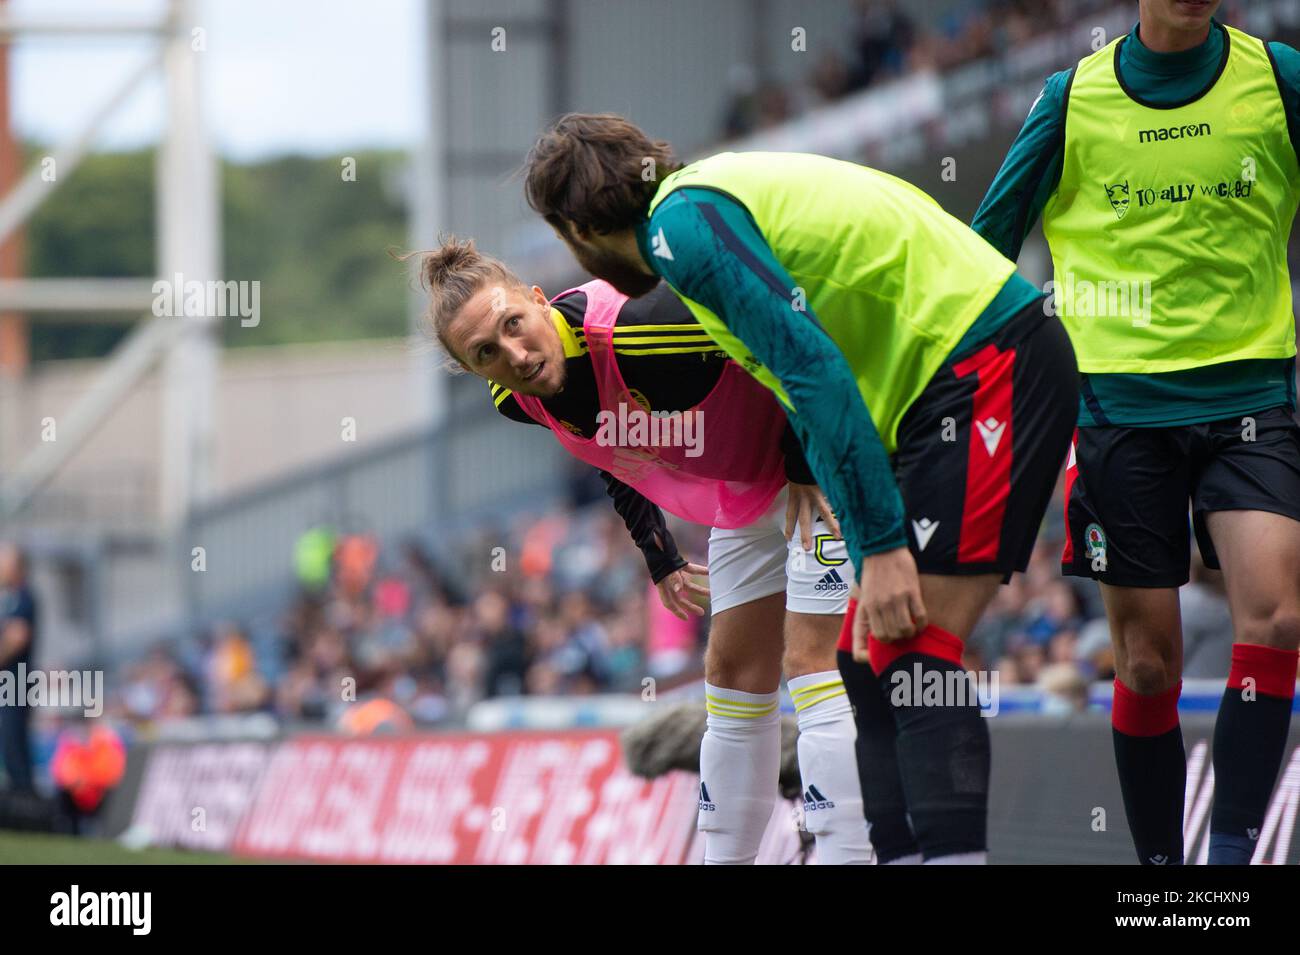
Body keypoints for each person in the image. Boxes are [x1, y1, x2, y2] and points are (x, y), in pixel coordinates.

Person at [522, 114, 1079, 864]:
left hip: (983, 364)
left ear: (577, 227)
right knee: (865, 660)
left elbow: (812, 369)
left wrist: (878, 545)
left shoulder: (678, 231)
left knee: (916, 652)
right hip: (943, 386)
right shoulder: (696, 205)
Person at [415, 237, 872, 864]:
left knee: (811, 659)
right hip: (750, 490)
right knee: (732, 678)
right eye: (486, 353)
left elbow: (792, 334)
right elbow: (604, 444)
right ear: (474, 372)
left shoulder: (643, 327)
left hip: (823, 458)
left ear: (538, 300)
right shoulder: (516, 399)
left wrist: (802, 462)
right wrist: (659, 555)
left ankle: (849, 854)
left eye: (513, 325)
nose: (515, 355)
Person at [973, 0, 1300, 865]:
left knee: (1277, 617)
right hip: (1119, 414)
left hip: (1250, 400)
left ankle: (1227, 864)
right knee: (1146, 664)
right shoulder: (1071, 97)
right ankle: (1162, 880)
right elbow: (981, 249)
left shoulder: (1277, 77)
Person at [0, 542, 36, 792]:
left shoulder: (24, 597)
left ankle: (26, 806)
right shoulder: (8, 598)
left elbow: (17, 637)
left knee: (15, 744)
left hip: (16, 684)